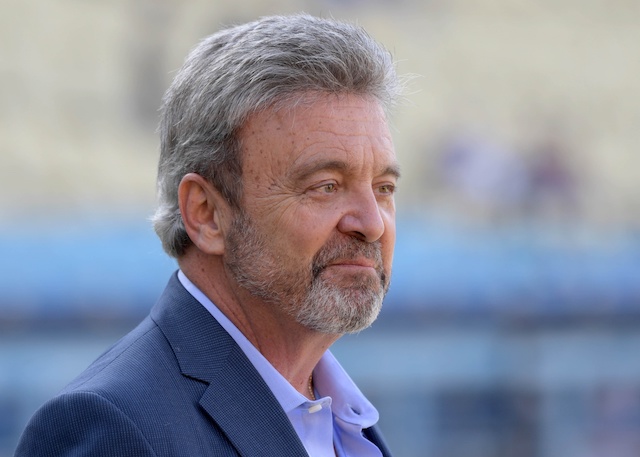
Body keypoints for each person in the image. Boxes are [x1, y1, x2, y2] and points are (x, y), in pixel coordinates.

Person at [16, 13, 403, 457]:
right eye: (325, 186)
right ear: (206, 214)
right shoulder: (113, 428)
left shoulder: (348, 424)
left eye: (383, 189)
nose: (371, 223)